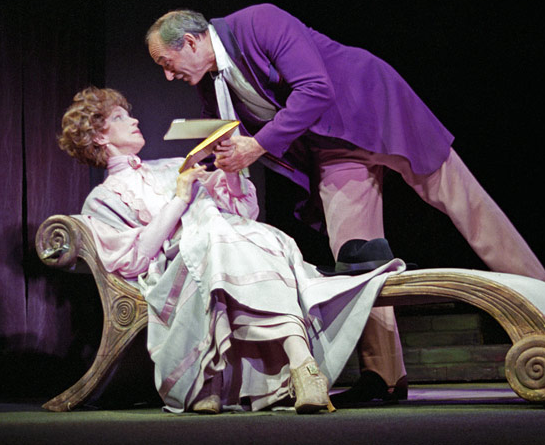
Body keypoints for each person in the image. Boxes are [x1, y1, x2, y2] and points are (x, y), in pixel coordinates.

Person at [145, 4, 545, 406]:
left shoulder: (259, 22)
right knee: (357, 258)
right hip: (333, 147)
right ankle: (384, 375)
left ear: (193, 41)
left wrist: (256, 146)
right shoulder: (209, 83)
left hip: (375, 109)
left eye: (167, 62)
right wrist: (217, 154)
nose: (167, 75)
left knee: (469, 206)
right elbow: (228, 129)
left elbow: (315, 88)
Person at [57, 86, 406, 414]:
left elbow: (242, 212)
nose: (133, 120)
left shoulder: (172, 166)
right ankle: (296, 363)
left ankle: (289, 368)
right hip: (177, 267)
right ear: (98, 136)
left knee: (257, 235)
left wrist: (231, 170)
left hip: (227, 247)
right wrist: (180, 198)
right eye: (119, 118)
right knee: (222, 238)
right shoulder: (103, 199)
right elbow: (136, 259)